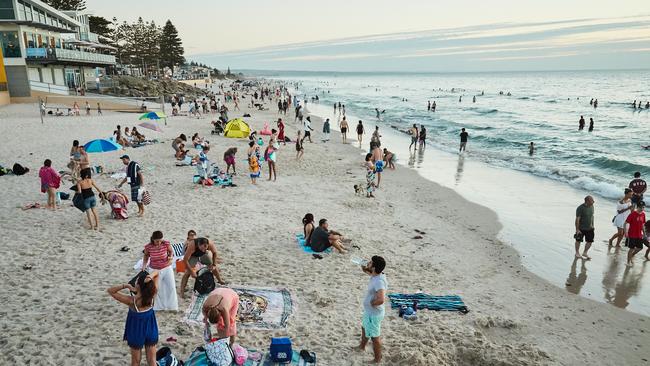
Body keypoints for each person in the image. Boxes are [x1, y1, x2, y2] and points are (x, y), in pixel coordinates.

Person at [107, 271, 159, 366]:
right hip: (151, 330)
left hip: (136, 332)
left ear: (138, 286)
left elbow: (110, 291)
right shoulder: (152, 295)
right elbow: (157, 273)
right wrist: (149, 277)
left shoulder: (131, 301)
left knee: (135, 362)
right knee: (152, 361)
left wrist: (126, 286)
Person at [357, 256, 387, 364]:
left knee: (375, 337)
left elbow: (381, 299)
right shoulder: (377, 274)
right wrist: (362, 264)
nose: (368, 263)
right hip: (369, 312)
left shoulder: (379, 281)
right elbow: (367, 271)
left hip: (374, 314)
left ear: (374, 267)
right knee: (364, 327)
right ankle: (361, 346)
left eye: (370, 262)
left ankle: (377, 359)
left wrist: (371, 303)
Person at [180, 234, 226, 298]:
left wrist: (214, 264)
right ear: (198, 245)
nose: (204, 249)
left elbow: (215, 253)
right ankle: (182, 291)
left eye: (205, 248)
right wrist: (191, 271)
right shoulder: (192, 246)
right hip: (193, 255)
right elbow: (185, 260)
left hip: (203, 255)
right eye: (202, 248)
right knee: (187, 273)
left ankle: (220, 280)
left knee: (212, 266)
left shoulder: (209, 244)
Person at [141, 231, 178, 311]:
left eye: (160, 240)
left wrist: (170, 257)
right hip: (154, 269)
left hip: (167, 267)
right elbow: (146, 256)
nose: (159, 243)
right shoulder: (148, 247)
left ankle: (172, 306)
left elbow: (171, 252)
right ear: (153, 239)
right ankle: (158, 307)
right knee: (156, 288)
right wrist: (144, 265)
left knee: (171, 287)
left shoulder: (166, 243)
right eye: (157, 241)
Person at [624, 201, 646, 266]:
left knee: (640, 248)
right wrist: (626, 233)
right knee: (631, 248)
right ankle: (628, 262)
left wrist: (644, 233)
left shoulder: (643, 214)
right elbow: (625, 223)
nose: (642, 209)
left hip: (639, 235)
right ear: (637, 207)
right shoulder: (632, 214)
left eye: (643, 207)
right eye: (640, 207)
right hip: (632, 234)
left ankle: (632, 255)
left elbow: (643, 225)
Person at [574, 196, 595, 260]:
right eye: (592, 200)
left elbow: (592, 216)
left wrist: (592, 225)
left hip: (590, 228)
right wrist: (577, 230)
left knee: (590, 241)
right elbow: (577, 219)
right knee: (578, 240)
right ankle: (577, 252)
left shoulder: (592, 206)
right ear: (587, 201)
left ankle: (585, 252)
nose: (593, 202)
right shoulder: (580, 208)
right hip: (581, 228)